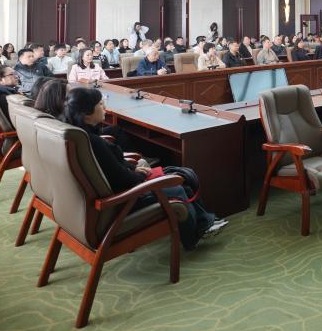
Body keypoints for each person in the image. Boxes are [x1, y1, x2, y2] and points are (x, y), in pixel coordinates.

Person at [61, 87, 227, 250]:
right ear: (87, 114)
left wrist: (133, 169)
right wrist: (141, 177)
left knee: (181, 176)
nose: (104, 105)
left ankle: (203, 222)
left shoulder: (82, 136)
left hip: (116, 192)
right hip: (126, 201)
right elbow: (121, 179)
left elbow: (112, 168)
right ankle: (192, 237)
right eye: (100, 103)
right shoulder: (95, 143)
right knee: (178, 186)